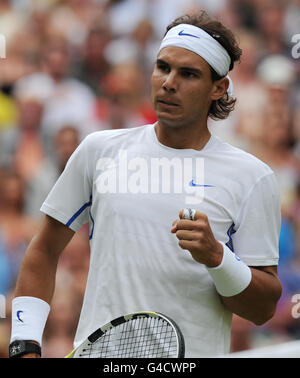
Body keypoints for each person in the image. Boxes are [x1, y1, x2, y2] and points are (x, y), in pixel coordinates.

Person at [9, 11, 282, 358]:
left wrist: (217, 258)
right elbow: (44, 249)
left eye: (188, 74)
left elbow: (262, 309)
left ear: (219, 88)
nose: (169, 82)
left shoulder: (252, 177)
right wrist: (25, 344)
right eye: (163, 67)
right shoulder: (98, 150)